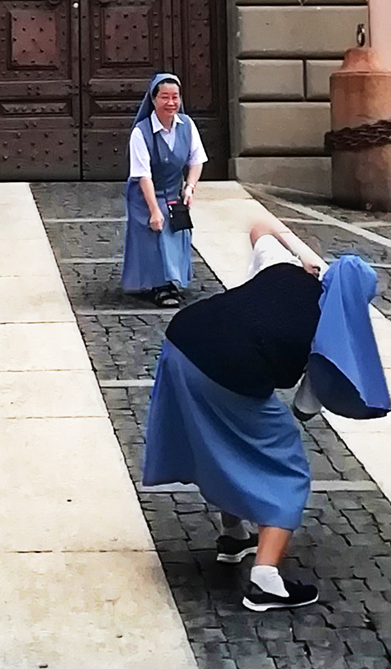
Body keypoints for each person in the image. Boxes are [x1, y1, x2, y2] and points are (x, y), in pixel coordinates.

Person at [142, 212, 330, 611]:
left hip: (183, 341)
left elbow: (261, 226)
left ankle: (234, 535)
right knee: (286, 465)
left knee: (221, 444)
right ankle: (266, 580)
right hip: (228, 368)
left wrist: (301, 255)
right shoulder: (333, 326)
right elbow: (304, 407)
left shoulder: (280, 266)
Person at [120, 72, 207, 309]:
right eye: (165, 97)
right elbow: (143, 175)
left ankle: (173, 281)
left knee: (176, 234)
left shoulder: (187, 126)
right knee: (156, 233)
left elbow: (197, 159)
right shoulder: (141, 132)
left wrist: (190, 187)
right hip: (145, 194)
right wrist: (154, 210)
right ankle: (159, 285)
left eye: (175, 97)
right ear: (153, 99)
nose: (171, 102)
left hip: (173, 191)